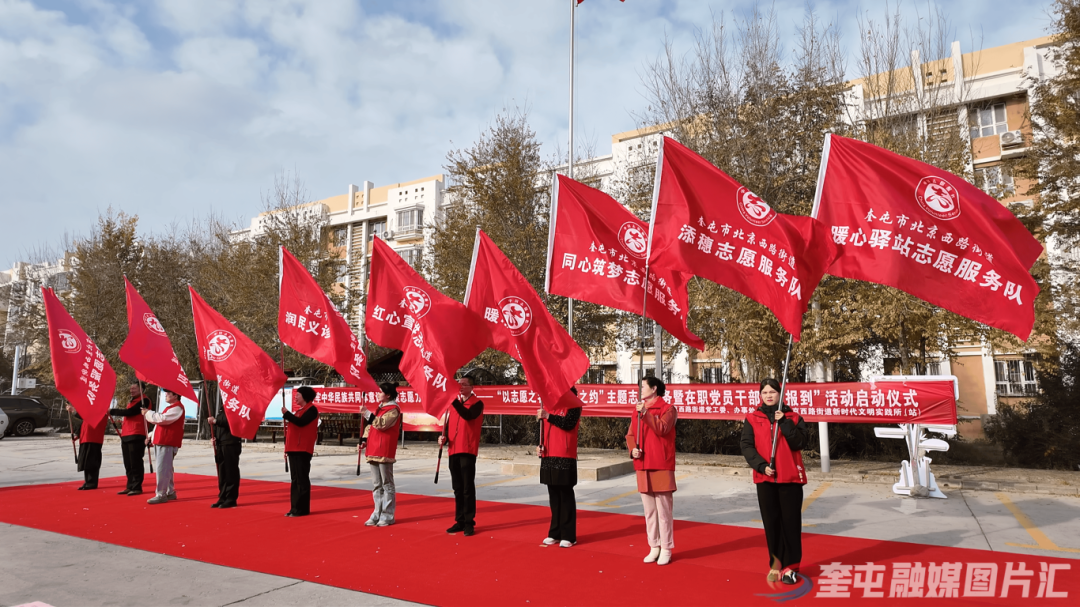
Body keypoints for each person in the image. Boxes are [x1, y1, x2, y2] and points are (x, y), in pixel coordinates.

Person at [741, 378, 809, 585]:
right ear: (760, 395)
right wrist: (761, 466)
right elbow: (746, 445)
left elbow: (800, 442)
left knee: (790, 524)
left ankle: (791, 568)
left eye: (772, 392)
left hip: (790, 479)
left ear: (780, 394)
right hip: (765, 479)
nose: (768, 396)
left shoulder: (793, 417)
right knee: (771, 524)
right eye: (765, 392)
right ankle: (775, 565)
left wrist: (785, 423)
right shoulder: (752, 418)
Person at [625, 376, 677, 566]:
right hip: (642, 464)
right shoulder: (637, 410)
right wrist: (633, 449)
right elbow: (630, 434)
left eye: (643, 386)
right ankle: (654, 545)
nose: (640, 389)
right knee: (649, 511)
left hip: (661, 464)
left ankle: (666, 547)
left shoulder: (668, 409)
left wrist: (646, 414)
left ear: (654, 388)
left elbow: (662, 428)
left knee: (664, 511)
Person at [536, 387, 583, 548]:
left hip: (564, 454)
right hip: (549, 455)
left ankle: (569, 535)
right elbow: (541, 429)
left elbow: (568, 424)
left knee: (565, 495)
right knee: (554, 496)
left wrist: (548, 416)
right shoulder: (549, 405)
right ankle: (555, 533)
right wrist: (539, 445)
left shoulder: (574, 405)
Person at [438, 376, 483, 537]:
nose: (461, 387)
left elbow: (468, 416)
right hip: (453, 449)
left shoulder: (477, 403)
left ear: (472, 387)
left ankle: (469, 522)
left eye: (464, 384)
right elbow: (449, 425)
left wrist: (453, 400)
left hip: (467, 450)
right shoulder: (453, 405)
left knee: (467, 488)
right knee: (457, 488)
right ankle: (460, 520)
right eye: (459, 384)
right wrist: (443, 438)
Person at [360, 382, 401, 527]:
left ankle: (388, 515)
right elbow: (371, 427)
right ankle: (376, 513)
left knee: (387, 483)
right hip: (373, 448)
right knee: (377, 484)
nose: (378, 394)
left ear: (388, 395)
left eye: (380, 392)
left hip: (384, 449)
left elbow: (381, 424)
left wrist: (367, 413)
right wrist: (364, 440)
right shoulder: (381, 408)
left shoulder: (393, 409)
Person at [143, 388, 186, 504]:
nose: (166, 394)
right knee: (167, 468)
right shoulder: (171, 408)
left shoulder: (177, 408)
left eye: (168, 393)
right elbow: (160, 425)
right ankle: (169, 491)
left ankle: (161, 494)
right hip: (163, 441)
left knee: (162, 468)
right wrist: (151, 436)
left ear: (175, 396)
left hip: (167, 442)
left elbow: (162, 420)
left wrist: (148, 412)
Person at [107, 384, 152, 495]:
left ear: (141, 389)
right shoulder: (132, 401)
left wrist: (112, 411)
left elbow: (131, 412)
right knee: (128, 462)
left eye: (134, 388)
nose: (131, 390)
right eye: (131, 388)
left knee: (135, 462)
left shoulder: (144, 401)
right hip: (127, 434)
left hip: (137, 433)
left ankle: (137, 486)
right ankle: (130, 485)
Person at [282, 386, 319, 517]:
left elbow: (301, 423)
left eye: (298, 395)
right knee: (295, 479)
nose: (296, 397)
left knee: (301, 479)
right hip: (293, 448)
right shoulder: (299, 411)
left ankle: (302, 509)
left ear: (305, 396)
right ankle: (294, 507)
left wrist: (287, 414)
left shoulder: (312, 410)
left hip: (302, 449)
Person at [208, 402, 242, 509]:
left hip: (231, 443)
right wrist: (213, 436)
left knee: (230, 471)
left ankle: (231, 498)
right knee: (222, 471)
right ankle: (222, 496)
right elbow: (218, 426)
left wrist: (216, 421)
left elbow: (233, 423)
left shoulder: (236, 406)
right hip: (220, 443)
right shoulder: (222, 408)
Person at [66, 404, 107, 490]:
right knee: (86, 461)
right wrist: (77, 435)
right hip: (85, 437)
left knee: (91, 461)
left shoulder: (101, 411)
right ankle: (88, 481)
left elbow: (87, 417)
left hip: (93, 438)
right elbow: (84, 423)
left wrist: (74, 411)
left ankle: (92, 482)